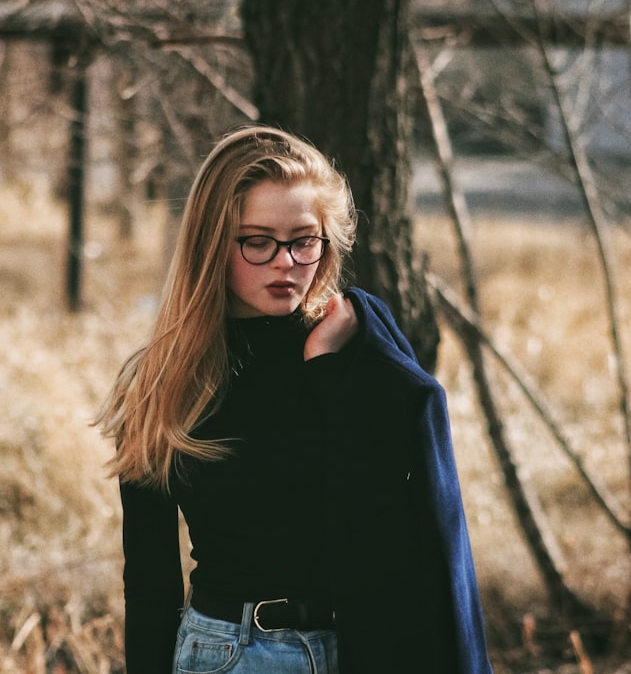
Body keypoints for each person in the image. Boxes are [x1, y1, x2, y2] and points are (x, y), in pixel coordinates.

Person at [95, 125, 493, 674]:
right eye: (257, 241)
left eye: (304, 240)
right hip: (226, 654)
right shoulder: (165, 381)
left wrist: (328, 371)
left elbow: (383, 519)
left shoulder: (358, 351)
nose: (285, 262)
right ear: (213, 244)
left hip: (360, 649)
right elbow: (149, 579)